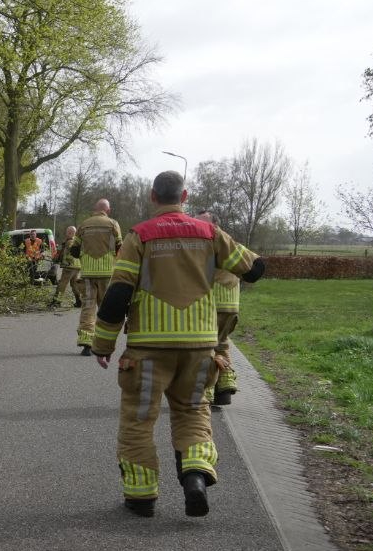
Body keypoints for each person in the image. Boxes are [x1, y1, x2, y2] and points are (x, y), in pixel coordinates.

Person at [91, 172, 265, 518]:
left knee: (139, 421)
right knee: (193, 412)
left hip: (147, 351)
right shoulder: (210, 233)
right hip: (200, 349)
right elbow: (255, 269)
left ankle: (141, 498)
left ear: (153, 196)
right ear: (184, 195)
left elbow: (118, 294)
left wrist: (103, 343)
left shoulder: (139, 236)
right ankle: (195, 476)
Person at [197, 211, 242, 407]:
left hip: (212, 303)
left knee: (204, 346)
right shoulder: (231, 243)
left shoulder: (206, 243)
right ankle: (225, 388)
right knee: (221, 342)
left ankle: (206, 393)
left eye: (201, 222)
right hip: (231, 306)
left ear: (215, 224)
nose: (197, 226)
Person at [75, 199, 122, 355]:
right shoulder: (113, 224)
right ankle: (102, 344)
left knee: (88, 307)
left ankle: (86, 343)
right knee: (105, 308)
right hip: (107, 273)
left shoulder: (83, 225)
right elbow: (119, 247)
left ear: (95, 209)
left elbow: (74, 250)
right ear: (107, 210)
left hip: (88, 273)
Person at [48, 225, 83, 308]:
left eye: (67, 232)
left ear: (71, 232)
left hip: (69, 266)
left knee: (62, 284)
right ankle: (79, 302)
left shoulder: (70, 242)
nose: (66, 233)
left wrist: (62, 259)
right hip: (76, 266)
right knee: (74, 284)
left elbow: (68, 252)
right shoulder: (77, 241)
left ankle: (56, 302)